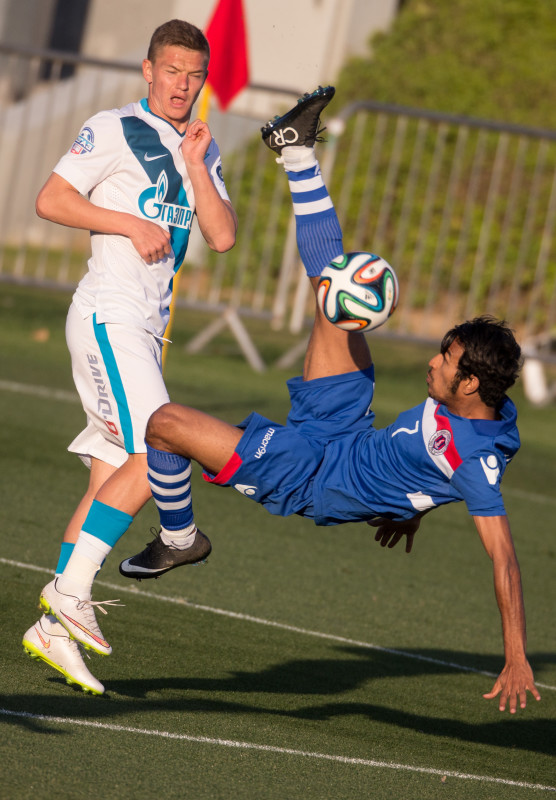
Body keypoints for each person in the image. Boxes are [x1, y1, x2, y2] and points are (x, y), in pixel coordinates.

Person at [118, 86, 541, 715]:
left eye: (445, 361)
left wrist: (516, 655)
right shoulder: (494, 413)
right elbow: (443, 465)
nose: (431, 363)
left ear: (471, 383)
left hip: (313, 476)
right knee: (336, 292)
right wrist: (414, 507)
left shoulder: (476, 459)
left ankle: (179, 538)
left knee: (163, 424)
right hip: (346, 427)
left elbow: (503, 559)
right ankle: (296, 152)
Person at [22, 19, 238, 695]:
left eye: (194, 75)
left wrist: (198, 166)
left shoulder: (200, 145)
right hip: (108, 317)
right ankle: (76, 591)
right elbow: (51, 200)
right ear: (148, 70)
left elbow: (223, 236)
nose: (182, 85)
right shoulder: (113, 127)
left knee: (110, 478)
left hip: (145, 331)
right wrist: (127, 222)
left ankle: (56, 629)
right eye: (171, 71)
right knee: (159, 449)